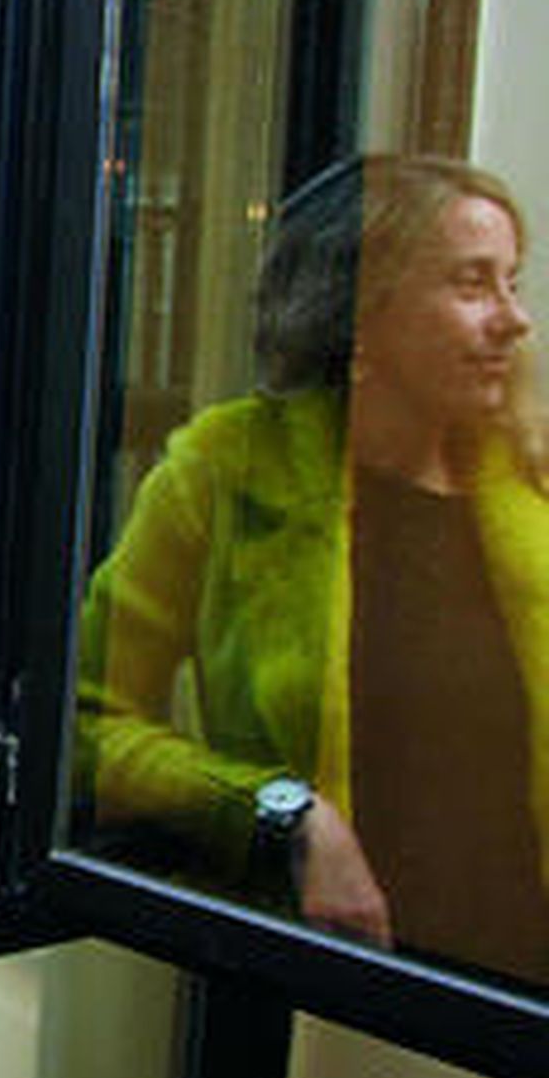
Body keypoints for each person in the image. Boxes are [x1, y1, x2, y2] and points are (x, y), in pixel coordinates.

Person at [76, 153, 549, 985]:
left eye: (514, 283)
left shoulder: (529, 483)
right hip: (326, 992)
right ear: (362, 312)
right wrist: (280, 813)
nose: (515, 321)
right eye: (475, 285)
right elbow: (83, 723)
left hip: (513, 1006)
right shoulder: (227, 470)